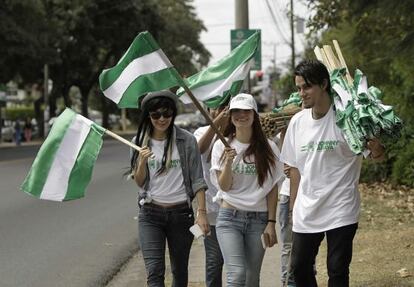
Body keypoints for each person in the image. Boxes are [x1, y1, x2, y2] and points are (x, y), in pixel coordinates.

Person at [280, 59, 386, 287]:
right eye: (298, 88)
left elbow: (377, 156)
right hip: (307, 210)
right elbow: (295, 170)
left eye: (306, 87)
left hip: (341, 208)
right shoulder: (297, 122)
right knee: (299, 269)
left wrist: (377, 148)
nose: (302, 93)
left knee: (337, 270)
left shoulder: (349, 119)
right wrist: (293, 209)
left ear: (324, 84)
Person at [129, 90, 209, 287]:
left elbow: (198, 178)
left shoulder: (187, 140)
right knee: (155, 272)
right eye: (156, 114)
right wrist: (141, 162)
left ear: (173, 114)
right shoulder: (138, 142)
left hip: (181, 214)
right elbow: (139, 182)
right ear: (148, 115)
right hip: (150, 213)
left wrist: (201, 213)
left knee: (179, 271)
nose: (162, 119)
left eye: (167, 114)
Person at [210, 93, 284, 287]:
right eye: (236, 111)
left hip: (258, 220)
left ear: (254, 114)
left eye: (246, 111)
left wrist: (271, 222)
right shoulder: (221, 145)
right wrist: (228, 161)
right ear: (230, 115)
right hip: (229, 217)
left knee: (252, 278)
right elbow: (224, 186)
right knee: (236, 274)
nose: (241, 115)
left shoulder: (269, 148)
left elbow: (272, 188)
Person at [194, 99, 230, 287]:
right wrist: (216, 125)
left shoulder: (236, 131)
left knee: (236, 264)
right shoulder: (201, 131)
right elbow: (199, 149)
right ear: (208, 111)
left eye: (224, 106)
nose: (219, 110)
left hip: (234, 208)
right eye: (215, 107)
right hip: (211, 210)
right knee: (214, 262)